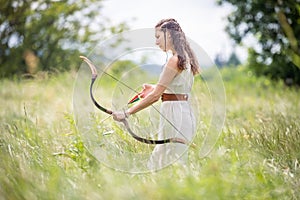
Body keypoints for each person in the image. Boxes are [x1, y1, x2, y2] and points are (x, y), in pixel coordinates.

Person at [112, 18, 200, 170]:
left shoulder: (174, 60)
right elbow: (175, 88)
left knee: (172, 164)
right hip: (181, 111)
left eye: (158, 37)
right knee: (163, 162)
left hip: (175, 114)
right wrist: (153, 88)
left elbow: (155, 96)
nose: (156, 42)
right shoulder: (183, 57)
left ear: (169, 36)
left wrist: (126, 113)